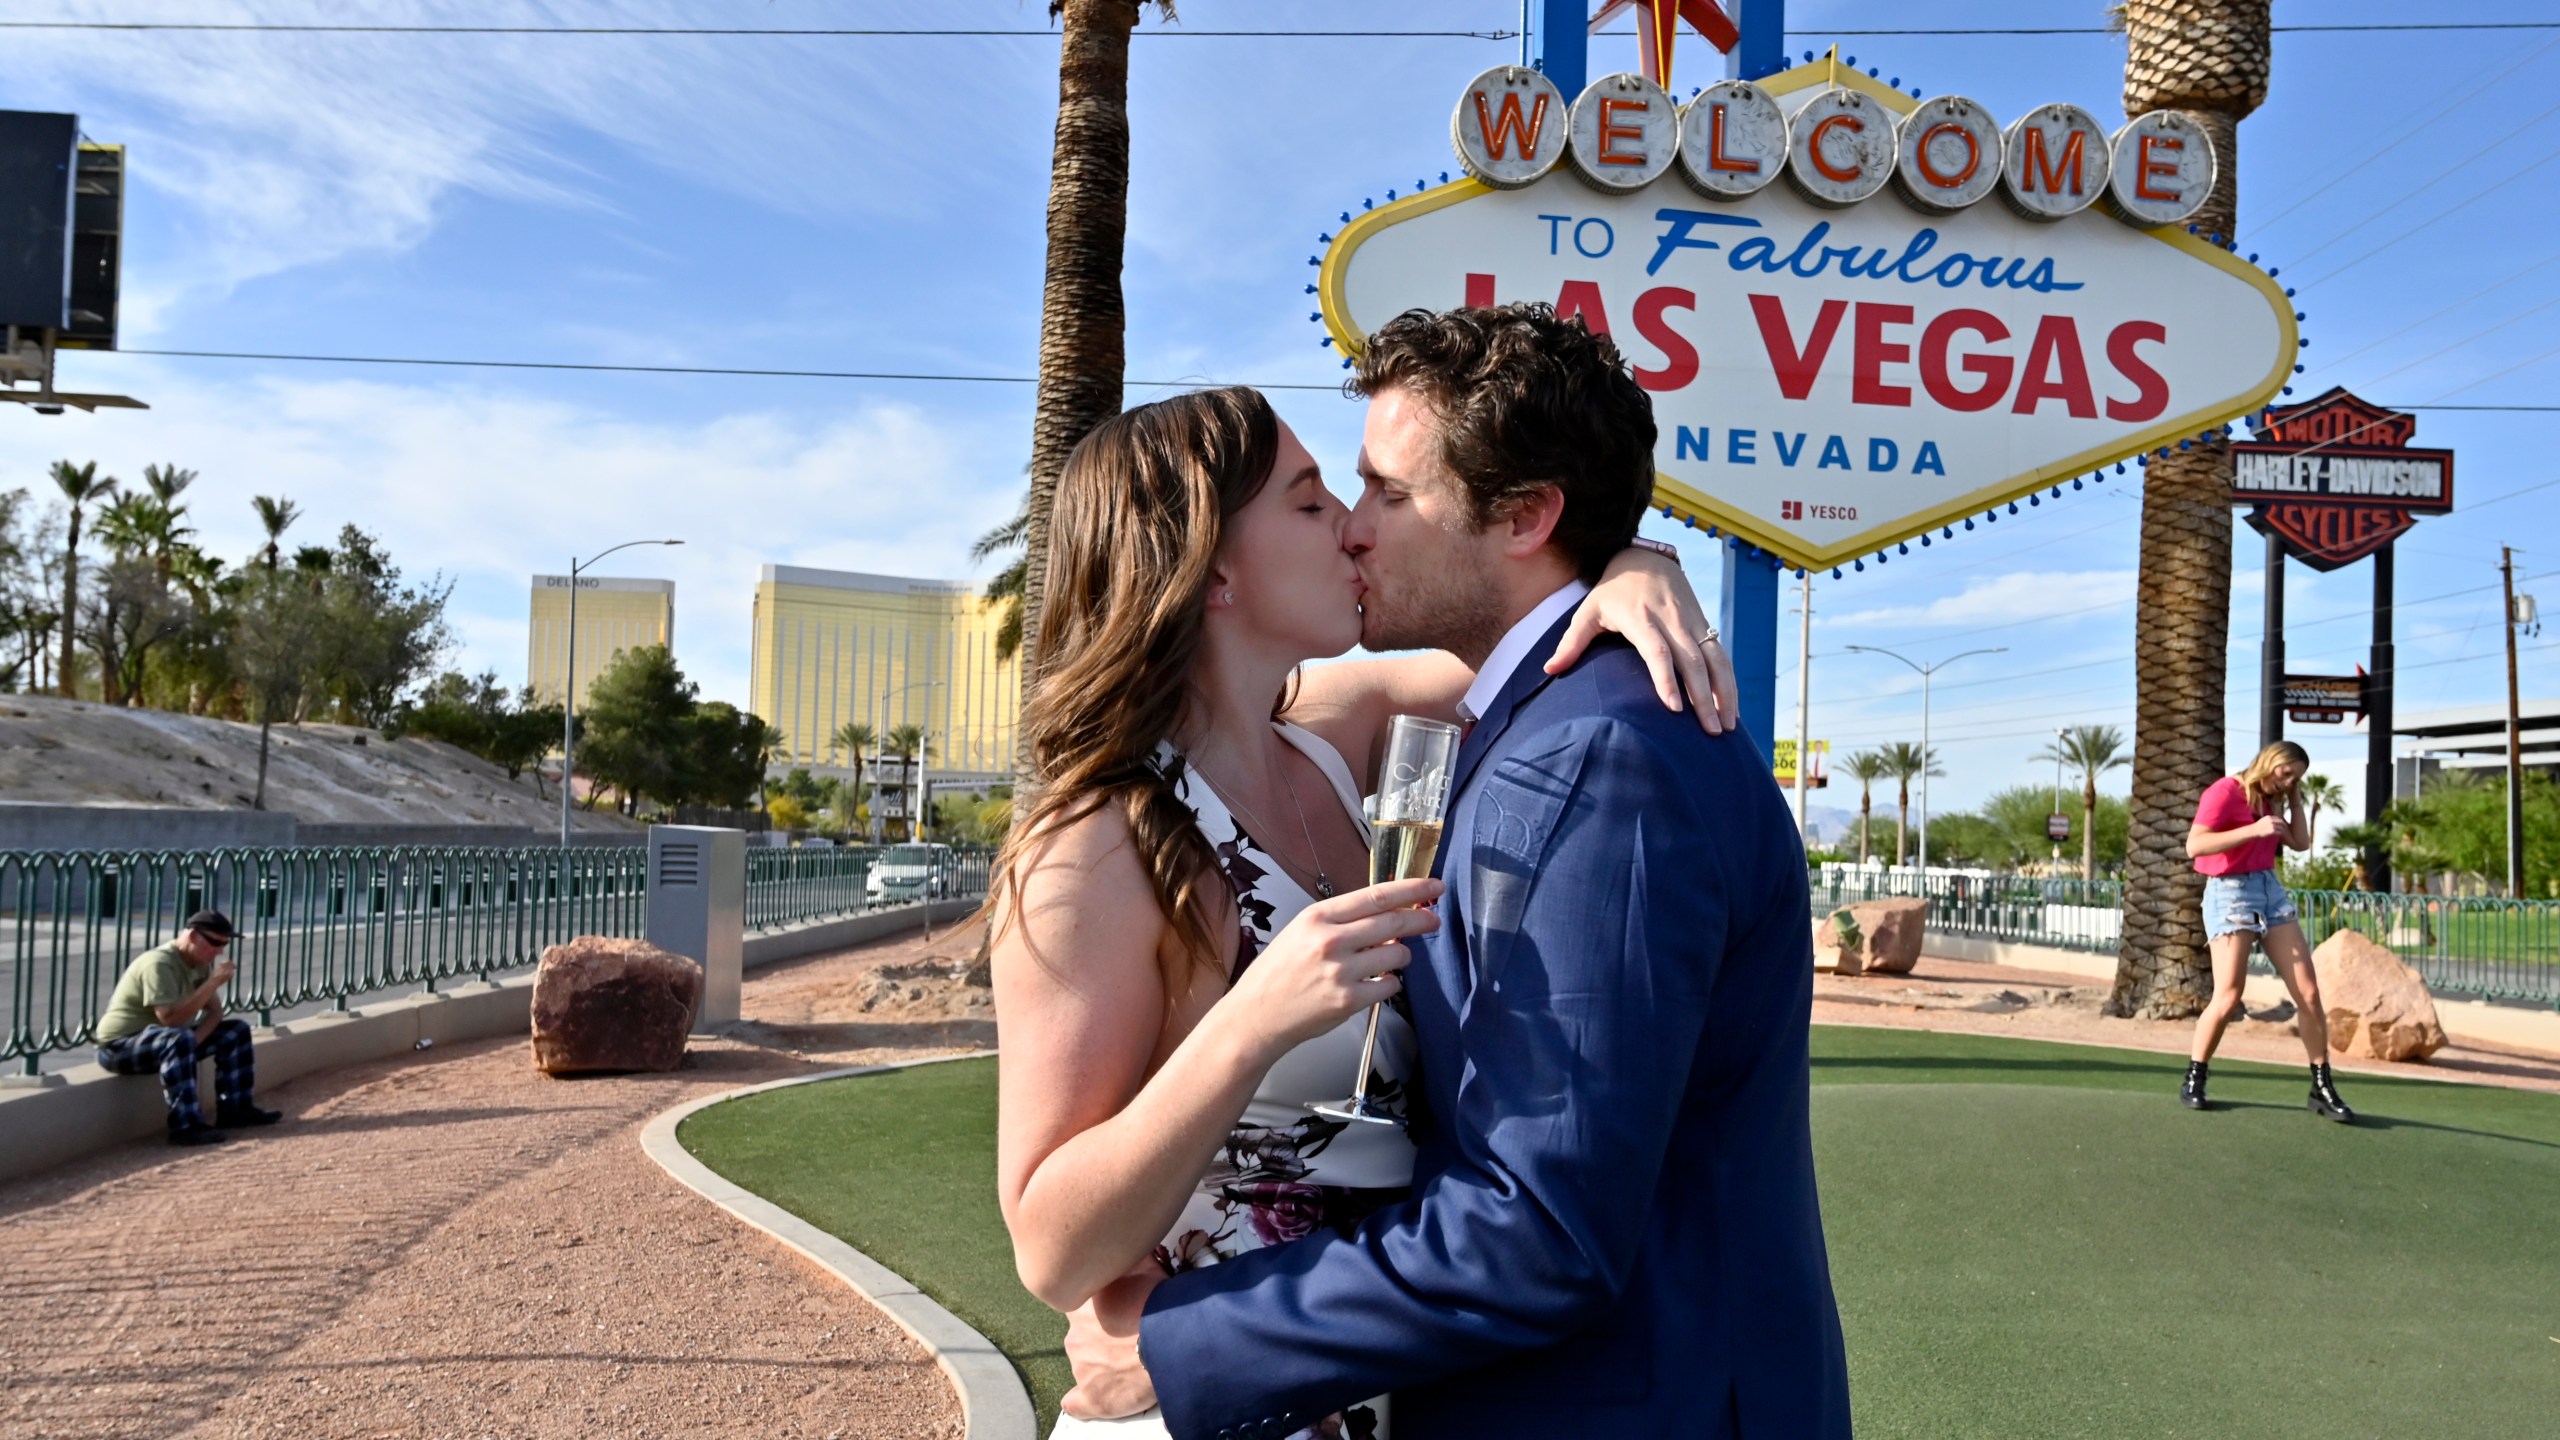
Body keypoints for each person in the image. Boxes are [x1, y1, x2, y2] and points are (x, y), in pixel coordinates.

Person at [1049, 304, 1850, 1439]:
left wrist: (1182, 1341)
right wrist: (1627, 557)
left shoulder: (1593, 752)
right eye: (1328, 497)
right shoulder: (1512, 723)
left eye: (1383, 492)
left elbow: (1541, 1226)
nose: (1352, 531)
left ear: (1525, 515)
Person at [2182, 741, 2353, 1121]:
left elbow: (2300, 843)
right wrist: (2253, 831)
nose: (2289, 781)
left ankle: (2321, 1087)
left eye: (2297, 778)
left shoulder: (2275, 800)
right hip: (2229, 891)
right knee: (2228, 995)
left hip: (2269, 889)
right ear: (2269, 761)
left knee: (2308, 992)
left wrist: (2293, 799)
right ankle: (2195, 1076)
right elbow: (2195, 845)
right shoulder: (2226, 791)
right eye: (2286, 773)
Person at [94, 910, 283, 1146]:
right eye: (214, 942)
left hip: (167, 1040)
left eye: (224, 944)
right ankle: (186, 1126)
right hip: (120, 1046)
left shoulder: (198, 963)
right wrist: (213, 981)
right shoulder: (159, 963)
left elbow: (215, 1011)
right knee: (177, 1038)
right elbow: (170, 1019)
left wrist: (194, 1042)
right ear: (193, 936)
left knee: (236, 1031)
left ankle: (236, 1109)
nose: (219, 950)